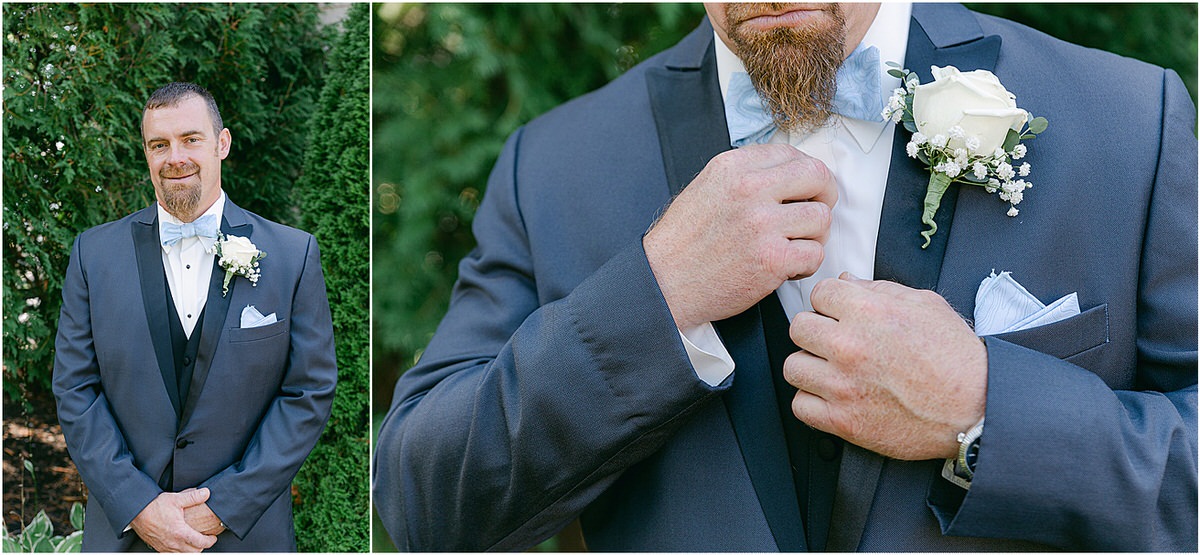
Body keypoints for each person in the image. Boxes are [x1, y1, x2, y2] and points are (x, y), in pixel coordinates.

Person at [373, 3, 1196, 551]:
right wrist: (655, 297)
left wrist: (986, 412)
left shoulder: (1127, 120)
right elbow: (423, 505)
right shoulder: (554, 165)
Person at [53, 82, 338, 552]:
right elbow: (75, 389)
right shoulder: (93, 255)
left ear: (221, 144)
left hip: (244, 536)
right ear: (146, 153)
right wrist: (140, 505)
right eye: (159, 145)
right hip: (127, 534)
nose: (175, 157)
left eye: (191, 139)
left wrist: (223, 506)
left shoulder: (292, 255)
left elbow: (308, 391)